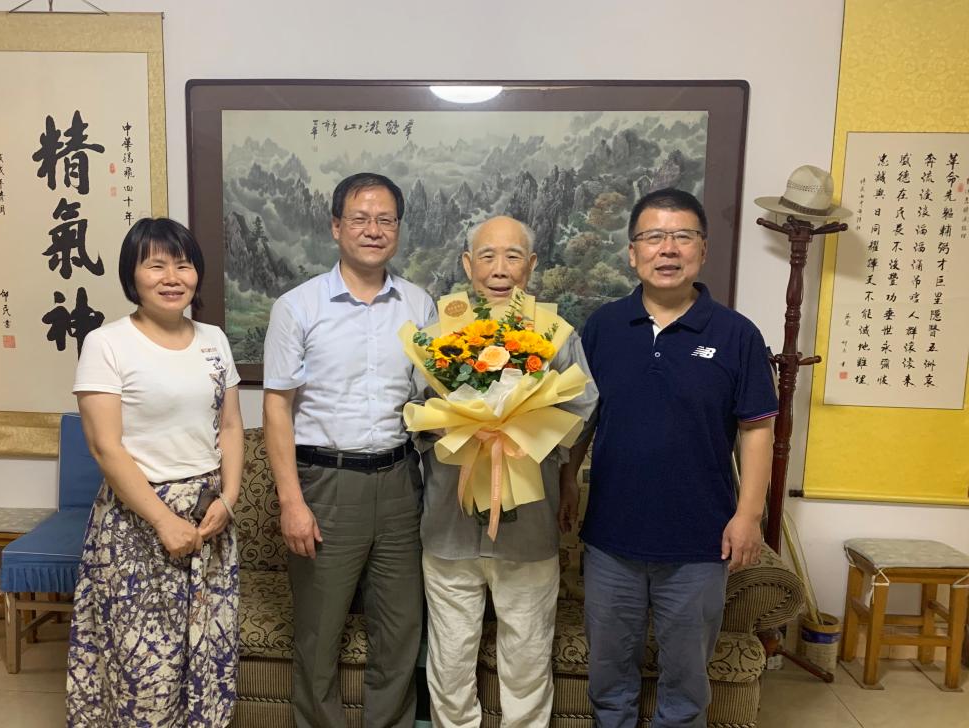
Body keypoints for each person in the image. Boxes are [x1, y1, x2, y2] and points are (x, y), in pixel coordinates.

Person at [568, 188, 778, 728]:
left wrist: (748, 514)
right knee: (608, 673)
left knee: (685, 681)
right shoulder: (604, 326)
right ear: (632, 252)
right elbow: (582, 417)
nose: (668, 249)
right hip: (611, 536)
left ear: (702, 250)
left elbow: (757, 429)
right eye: (654, 237)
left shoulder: (736, 334)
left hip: (698, 540)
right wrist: (567, 480)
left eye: (682, 236)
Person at [262, 172, 435, 728]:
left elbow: (434, 400)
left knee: (401, 629)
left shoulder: (420, 305)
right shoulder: (298, 306)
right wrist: (291, 501)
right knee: (319, 632)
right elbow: (276, 409)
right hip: (325, 486)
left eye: (385, 220)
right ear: (336, 226)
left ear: (398, 229)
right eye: (360, 218)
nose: (373, 229)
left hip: (401, 483)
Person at [420, 215, 597, 727]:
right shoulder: (438, 333)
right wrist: (460, 426)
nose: (500, 269)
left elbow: (584, 405)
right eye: (488, 256)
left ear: (531, 265)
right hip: (449, 523)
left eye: (513, 255)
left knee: (527, 655)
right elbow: (410, 411)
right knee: (450, 658)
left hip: (529, 525)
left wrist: (523, 430)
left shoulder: (555, 334)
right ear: (467, 264)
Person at [67, 218, 244, 726]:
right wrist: (164, 521)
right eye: (156, 265)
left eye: (183, 265)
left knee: (207, 659)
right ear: (132, 276)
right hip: (137, 523)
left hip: (209, 521)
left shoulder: (213, 339)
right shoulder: (107, 343)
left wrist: (228, 499)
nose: (172, 278)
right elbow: (105, 447)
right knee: (144, 669)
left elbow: (230, 425)